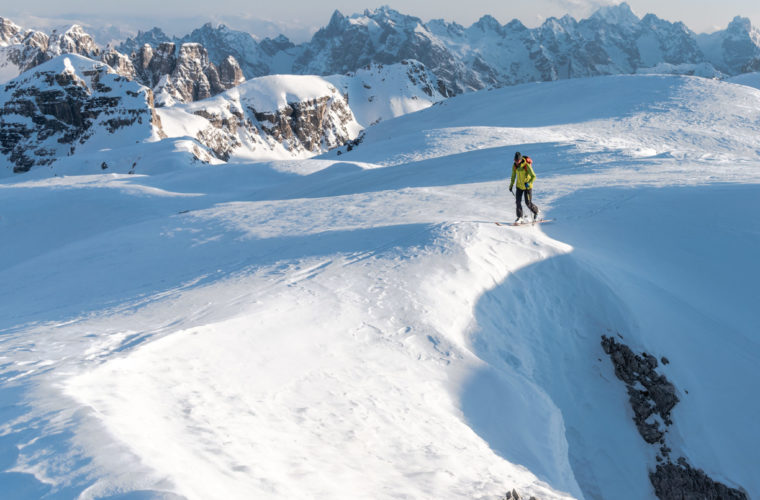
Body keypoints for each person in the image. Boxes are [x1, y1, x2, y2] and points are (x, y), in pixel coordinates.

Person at [509, 151, 540, 223]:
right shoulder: (514, 166)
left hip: (527, 187)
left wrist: (529, 183)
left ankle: (536, 211)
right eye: (515, 160)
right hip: (519, 186)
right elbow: (513, 176)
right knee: (518, 202)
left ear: (520, 159)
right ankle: (520, 217)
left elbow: (533, 176)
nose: (516, 162)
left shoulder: (526, 165)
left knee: (528, 203)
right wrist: (511, 185)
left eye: (517, 160)